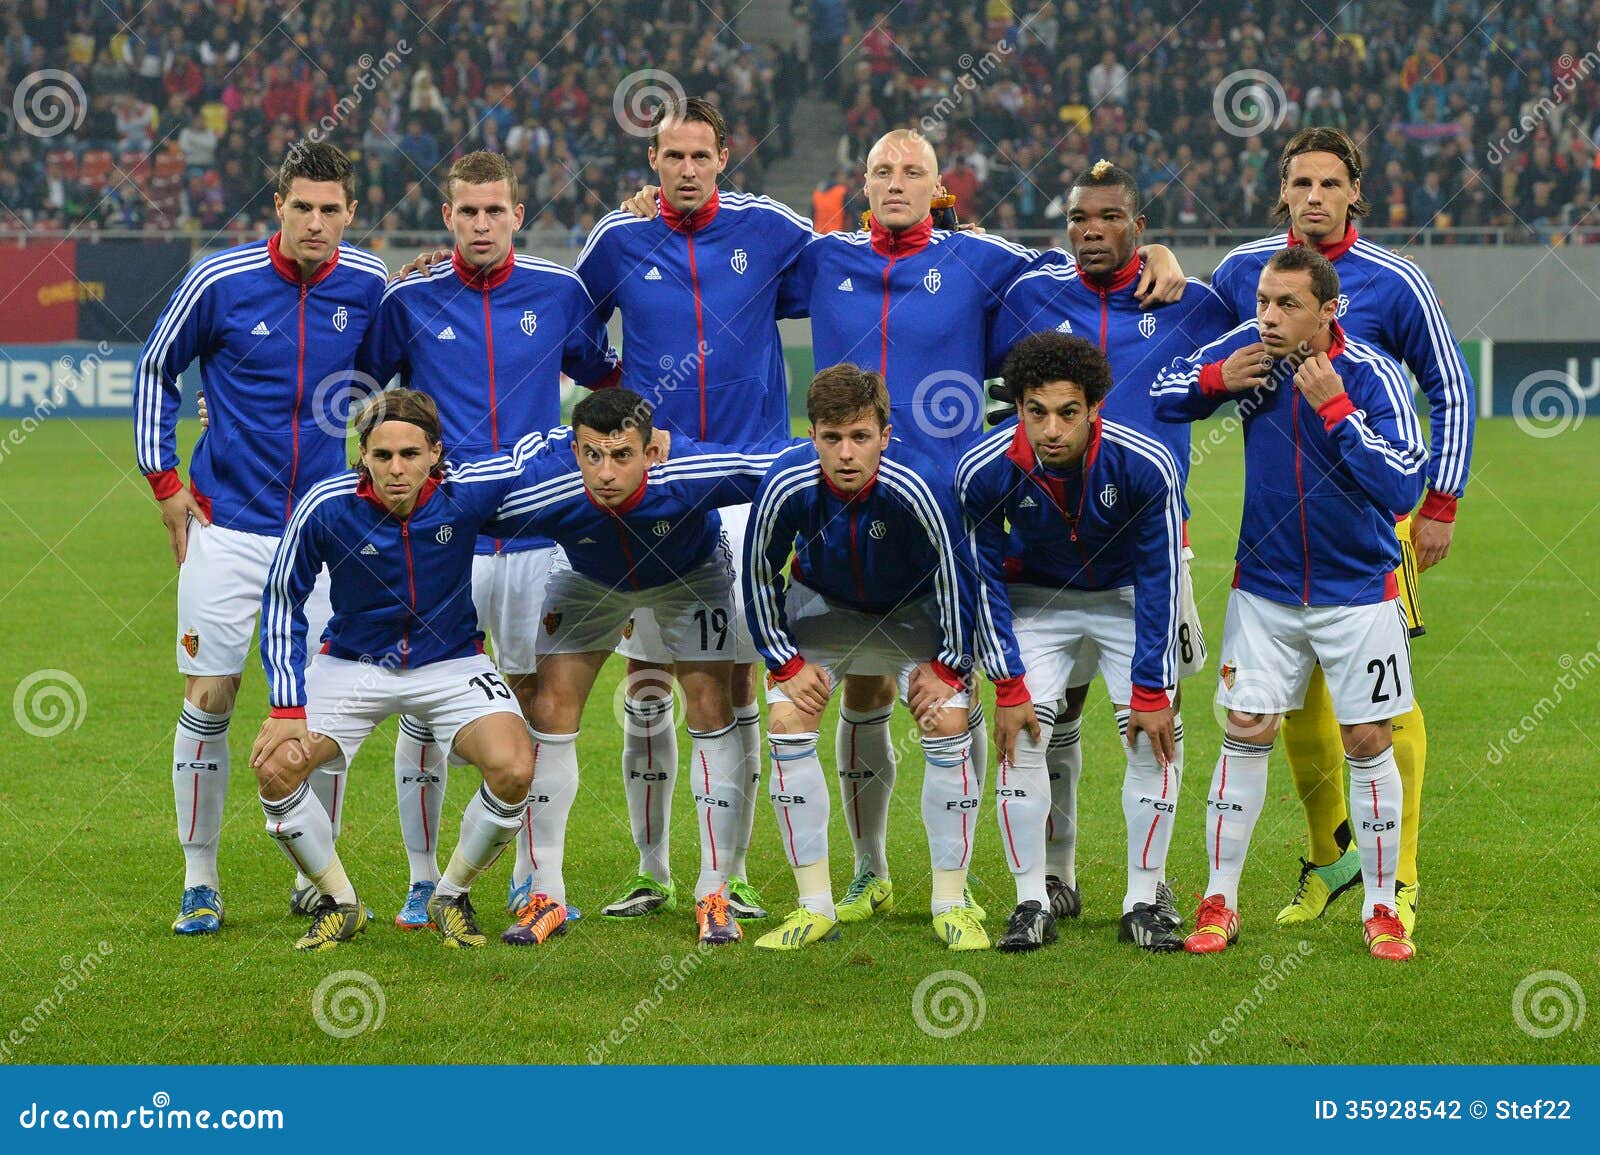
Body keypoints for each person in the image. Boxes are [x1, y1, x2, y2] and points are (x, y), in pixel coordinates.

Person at [772, 129, 1187, 924]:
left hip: (951, 525)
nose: (897, 183)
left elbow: (1089, 265)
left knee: (950, 699)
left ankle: (958, 892)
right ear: (864, 184)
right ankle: (867, 872)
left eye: (913, 172)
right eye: (883, 171)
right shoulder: (820, 258)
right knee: (859, 690)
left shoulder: (983, 258)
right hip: (844, 519)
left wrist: (1157, 250)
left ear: (938, 188)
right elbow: (736, 255)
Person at [1207, 127, 1475, 937]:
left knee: (1383, 708)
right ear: (1282, 191)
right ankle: (1334, 856)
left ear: (1355, 191)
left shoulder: (1396, 282)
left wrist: (1440, 502)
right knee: (1291, 704)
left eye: (1330, 184)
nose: (1315, 197)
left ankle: (1404, 876)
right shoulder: (1244, 272)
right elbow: (1194, 331)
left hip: (1370, 520)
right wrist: (1162, 269)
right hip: (1277, 539)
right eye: (1301, 184)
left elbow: (1450, 390)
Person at [359, 150, 621, 931]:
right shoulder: (410, 299)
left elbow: (605, 378)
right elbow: (367, 393)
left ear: (517, 214)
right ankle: (421, 877)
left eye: (494, 210)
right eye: (466, 211)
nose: (480, 224)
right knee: (421, 707)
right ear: (447, 218)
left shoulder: (560, 291)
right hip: (444, 538)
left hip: (541, 535)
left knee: (541, 701)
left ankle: (536, 874)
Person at [134, 141, 388, 936]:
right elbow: (154, 368)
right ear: (277, 205)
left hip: (323, 539)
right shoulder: (220, 280)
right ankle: (199, 878)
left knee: (325, 716)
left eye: (331, 208)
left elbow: (391, 382)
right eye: (302, 206)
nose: (316, 222)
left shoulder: (371, 285)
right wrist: (166, 483)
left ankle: (320, 879)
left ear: (351, 212)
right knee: (210, 699)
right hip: (227, 528)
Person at [573, 98, 813, 925]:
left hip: (746, 493)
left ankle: (732, 873)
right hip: (653, 492)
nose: (685, 169)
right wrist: (623, 406)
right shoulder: (617, 239)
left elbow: (848, 278)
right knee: (644, 685)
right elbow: (571, 334)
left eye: (699, 156)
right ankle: (651, 870)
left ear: (722, 157)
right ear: (652, 162)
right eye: (670, 156)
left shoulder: (770, 230)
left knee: (734, 677)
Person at [1152, 246, 1426, 962]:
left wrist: (1334, 408)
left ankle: (1381, 905)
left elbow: (1401, 486)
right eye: (1263, 302)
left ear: (1328, 311)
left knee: (1369, 740)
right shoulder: (1249, 351)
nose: (1267, 317)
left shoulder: (1373, 376)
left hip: (1359, 593)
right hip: (1265, 588)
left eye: (1286, 305)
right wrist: (1216, 378)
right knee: (1247, 725)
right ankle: (1221, 899)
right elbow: (1163, 391)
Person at [987, 160, 1236, 924]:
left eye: (1108, 218)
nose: (1092, 231)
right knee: (1052, 716)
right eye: (1078, 219)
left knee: (1154, 712)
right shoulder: (1031, 295)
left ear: (1140, 226)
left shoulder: (1189, 301)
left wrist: (1172, 266)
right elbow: (997, 380)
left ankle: (1149, 881)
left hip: (1155, 546)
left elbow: (1258, 330)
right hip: (1049, 553)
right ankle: (1054, 874)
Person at [251, 389, 561, 950]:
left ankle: (451, 893)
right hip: (353, 664)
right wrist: (286, 708)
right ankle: (340, 902)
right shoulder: (326, 505)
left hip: (451, 663)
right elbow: (281, 599)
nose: (397, 469)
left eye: (411, 454)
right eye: (383, 454)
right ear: (362, 455)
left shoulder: (463, 493)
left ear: (436, 453)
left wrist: (620, 439)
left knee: (516, 769)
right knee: (275, 768)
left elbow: (535, 457)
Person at [487, 388, 794, 947]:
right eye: (591, 455)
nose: (605, 472)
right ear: (575, 449)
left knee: (709, 704)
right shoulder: (546, 487)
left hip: (690, 576)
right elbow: (461, 503)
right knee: (551, 709)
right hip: (587, 579)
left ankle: (714, 891)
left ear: (652, 453)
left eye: (622, 455)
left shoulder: (692, 472)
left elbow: (781, 463)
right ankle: (544, 894)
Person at [959, 332, 1185, 952]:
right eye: (1036, 412)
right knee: (1019, 735)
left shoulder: (1145, 463)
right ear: (1020, 408)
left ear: (1094, 409)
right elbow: (982, 579)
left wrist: (1149, 688)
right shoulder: (983, 471)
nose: (1051, 429)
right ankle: (1032, 899)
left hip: (1126, 597)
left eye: (1067, 413)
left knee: (1153, 735)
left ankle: (1145, 898)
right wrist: (1007, 684)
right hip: (1039, 599)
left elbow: (1162, 576)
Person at [744, 365, 981, 952]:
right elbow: (755, 574)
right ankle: (818, 903)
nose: (846, 454)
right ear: (812, 434)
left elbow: (961, 577)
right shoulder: (785, 483)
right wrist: (786, 664)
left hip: (912, 610)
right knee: (786, 720)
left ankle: (953, 900)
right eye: (831, 438)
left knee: (947, 718)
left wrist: (949, 667)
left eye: (860, 437)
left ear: (886, 433)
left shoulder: (921, 484)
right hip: (827, 608)